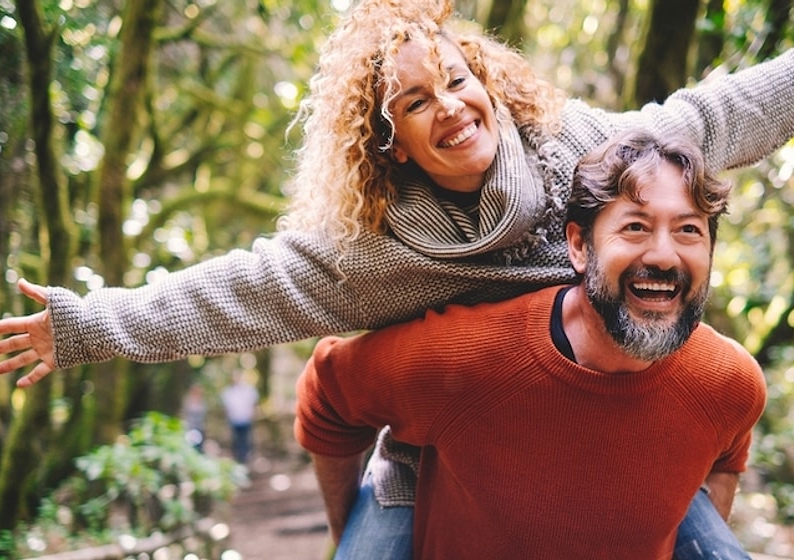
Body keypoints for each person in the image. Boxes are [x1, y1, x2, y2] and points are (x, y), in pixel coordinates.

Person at [0, 0, 794, 556]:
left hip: (612, 414)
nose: (449, 106)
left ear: (485, 81)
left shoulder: (574, 149)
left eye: (455, 78)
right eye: (414, 101)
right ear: (388, 142)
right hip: (441, 445)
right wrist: (87, 324)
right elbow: (236, 292)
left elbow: (704, 120)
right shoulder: (371, 250)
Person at [296, 129, 764, 558]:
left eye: (688, 231)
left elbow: (727, 453)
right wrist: (349, 535)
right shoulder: (468, 358)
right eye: (635, 227)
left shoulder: (729, 383)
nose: (664, 255)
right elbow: (328, 394)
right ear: (579, 247)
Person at [220, 371, 260, 464]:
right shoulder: (228, 392)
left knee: (245, 439)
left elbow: (253, 404)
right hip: (234, 420)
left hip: (245, 419)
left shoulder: (248, 390)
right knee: (236, 440)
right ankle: (237, 459)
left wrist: (252, 414)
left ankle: (245, 459)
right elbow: (226, 408)